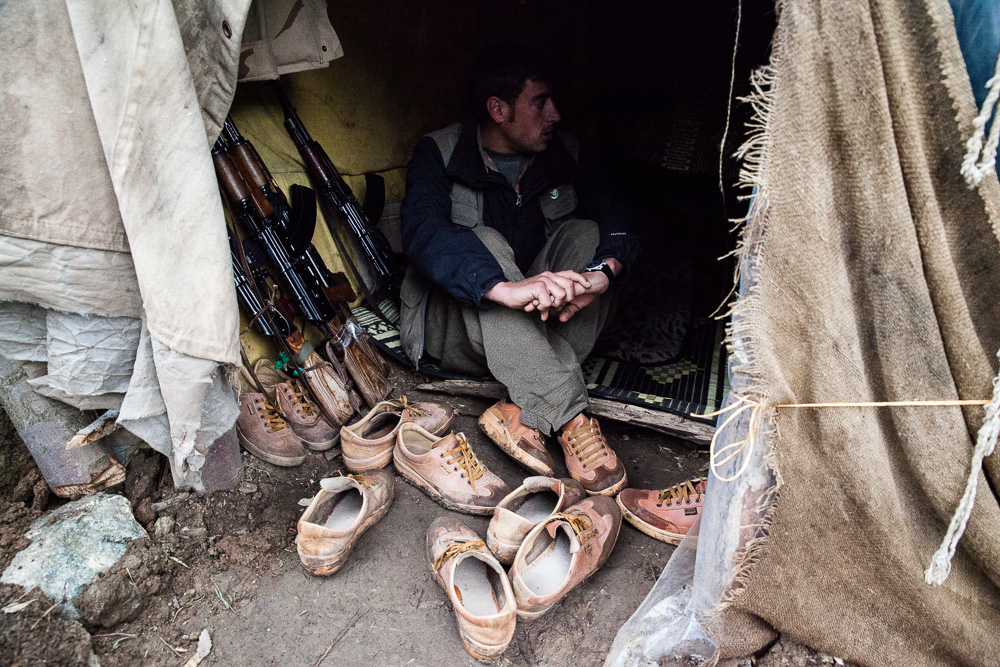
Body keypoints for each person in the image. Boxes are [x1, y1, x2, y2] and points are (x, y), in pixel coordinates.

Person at [399, 44, 638, 496]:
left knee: (587, 235)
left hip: (534, 324)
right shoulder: (440, 152)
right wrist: (501, 288)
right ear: (498, 109)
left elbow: (617, 214)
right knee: (484, 244)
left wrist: (602, 272)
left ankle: (519, 409)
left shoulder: (564, 152)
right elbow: (423, 233)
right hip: (456, 328)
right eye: (540, 102)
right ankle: (570, 417)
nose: (555, 114)